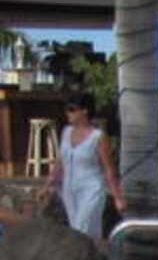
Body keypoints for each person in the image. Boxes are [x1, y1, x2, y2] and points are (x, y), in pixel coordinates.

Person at [47, 96, 123, 237]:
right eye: (67, 109)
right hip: (69, 190)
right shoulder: (66, 132)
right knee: (79, 231)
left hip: (91, 190)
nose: (68, 113)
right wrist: (49, 183)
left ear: (84, 111)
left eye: (72, 109)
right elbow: (61, 161)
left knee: (82, 229)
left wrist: (117, 197)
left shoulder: (98, 137)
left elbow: (108, 169)